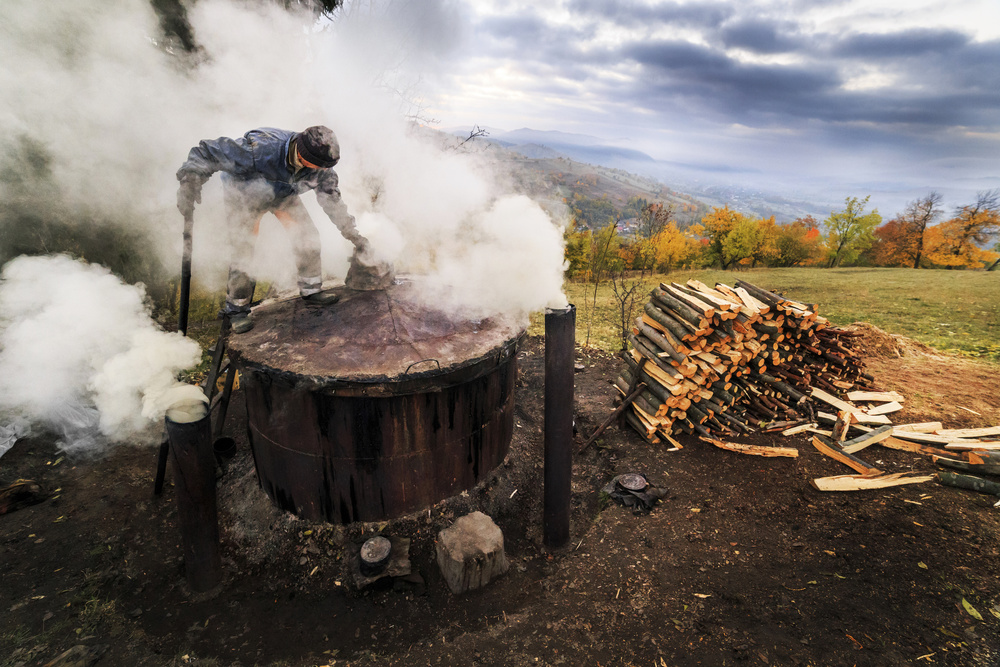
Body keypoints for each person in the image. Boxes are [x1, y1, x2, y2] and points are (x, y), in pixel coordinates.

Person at [176, 125, 369, 333]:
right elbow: (207, 151)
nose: (323, 172)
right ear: (303, 157)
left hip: (283, 194)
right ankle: (237, 310)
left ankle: (311, 290)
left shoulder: (323, 169)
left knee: (307, 235)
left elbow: (333, 203)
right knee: (244, 249)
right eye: (319, 166)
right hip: (244, 194)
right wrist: (190, 180)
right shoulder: (259, 150)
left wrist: (354, 236)